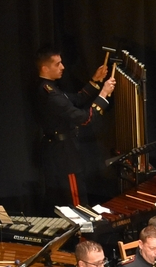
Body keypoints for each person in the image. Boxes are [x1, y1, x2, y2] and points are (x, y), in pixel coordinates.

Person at [35, 48, 115, 206]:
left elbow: (76, 99)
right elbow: (84, 119)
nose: (62, 67)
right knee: (76, 202)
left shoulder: (48, 88)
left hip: (58, 152)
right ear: (45, 68)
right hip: (64, 156)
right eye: (58, 64)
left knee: (65, 201)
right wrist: (104, 94)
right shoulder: (49, 94)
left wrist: (95, 81)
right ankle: (81, 231)